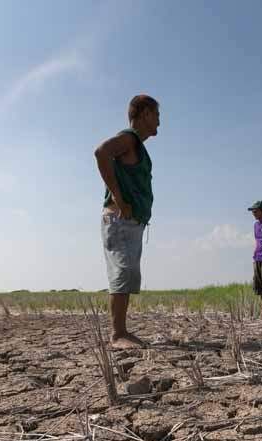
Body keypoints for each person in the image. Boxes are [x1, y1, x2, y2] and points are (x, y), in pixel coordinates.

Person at [94, 95, 160, 348]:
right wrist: (120, 200)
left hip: (131, 223)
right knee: (122, 272)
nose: (159, 123)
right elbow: (101, 152)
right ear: (144, 113)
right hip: (119, 219)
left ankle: (122, 331)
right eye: (156, 116)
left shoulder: (138, 147)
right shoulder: (129, 138)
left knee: (129, 273)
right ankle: (118, 333)